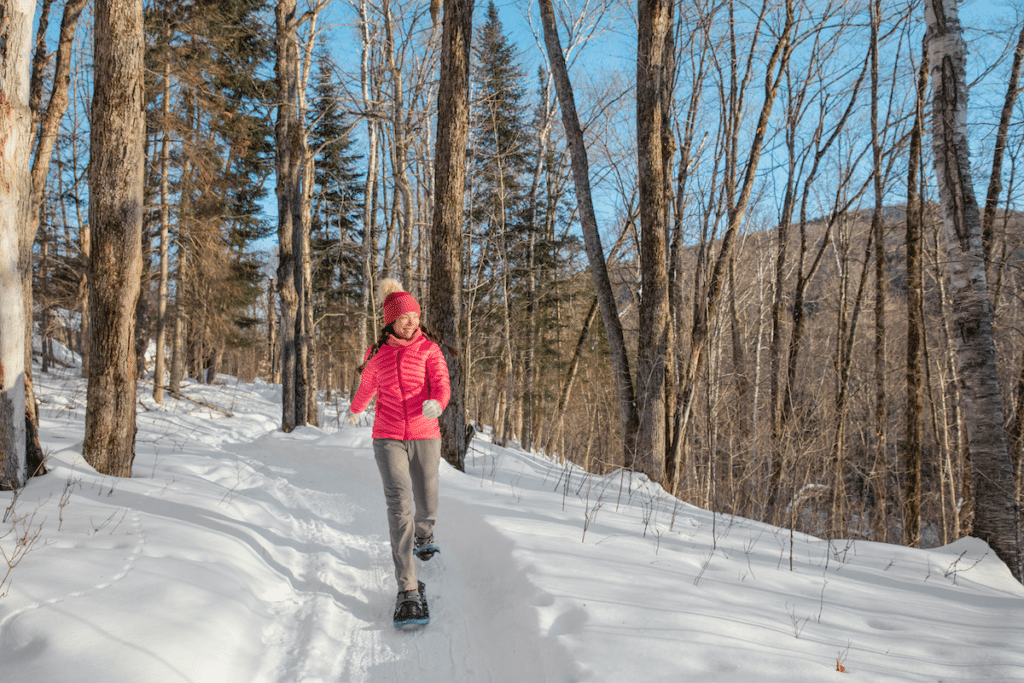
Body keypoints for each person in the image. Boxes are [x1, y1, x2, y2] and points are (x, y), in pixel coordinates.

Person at [346, 278, 450, 626]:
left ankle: (426, 534)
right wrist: (356, 408)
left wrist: (438, 401)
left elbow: (441, 383)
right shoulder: (376, 354)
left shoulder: (429, 350)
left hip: (425, 434)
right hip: (388, 436)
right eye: (405, 315)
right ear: (391, 319)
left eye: (416, 314)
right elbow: (367, 386)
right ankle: (407, 588)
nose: (412, 320)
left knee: (427, 499)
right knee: (399, 506)